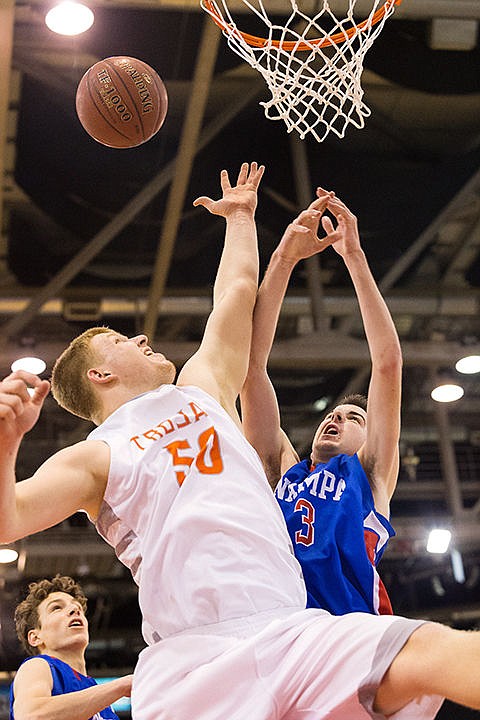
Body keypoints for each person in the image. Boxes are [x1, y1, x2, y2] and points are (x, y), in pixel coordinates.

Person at [0, 161, 479, 720]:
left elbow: (235, 293)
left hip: (293, 630)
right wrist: (7, 445)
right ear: (99, 376)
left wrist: (241, 219)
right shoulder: (92, 455)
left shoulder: (201, 388)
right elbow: (10, 520)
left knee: (446, 651)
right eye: (119, 340)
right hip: (192, 665)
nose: (141, 335)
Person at [241, 189, 401, 616]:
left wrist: (354, 256)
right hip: (281, 628)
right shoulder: (282, 470)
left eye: (354, 418)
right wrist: (284, 259)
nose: (336, 417)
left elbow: (387, 363)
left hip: (349, 631)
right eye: (334, 413)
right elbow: (250, 368)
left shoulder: (369, 473)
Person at [9, 574, 131, 720]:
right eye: (56, 608)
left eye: (77, 606)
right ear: (35, 637)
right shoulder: (38, 666)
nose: (74, 610)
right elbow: (31, 715)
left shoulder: (98, 695)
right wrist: (121, 686)